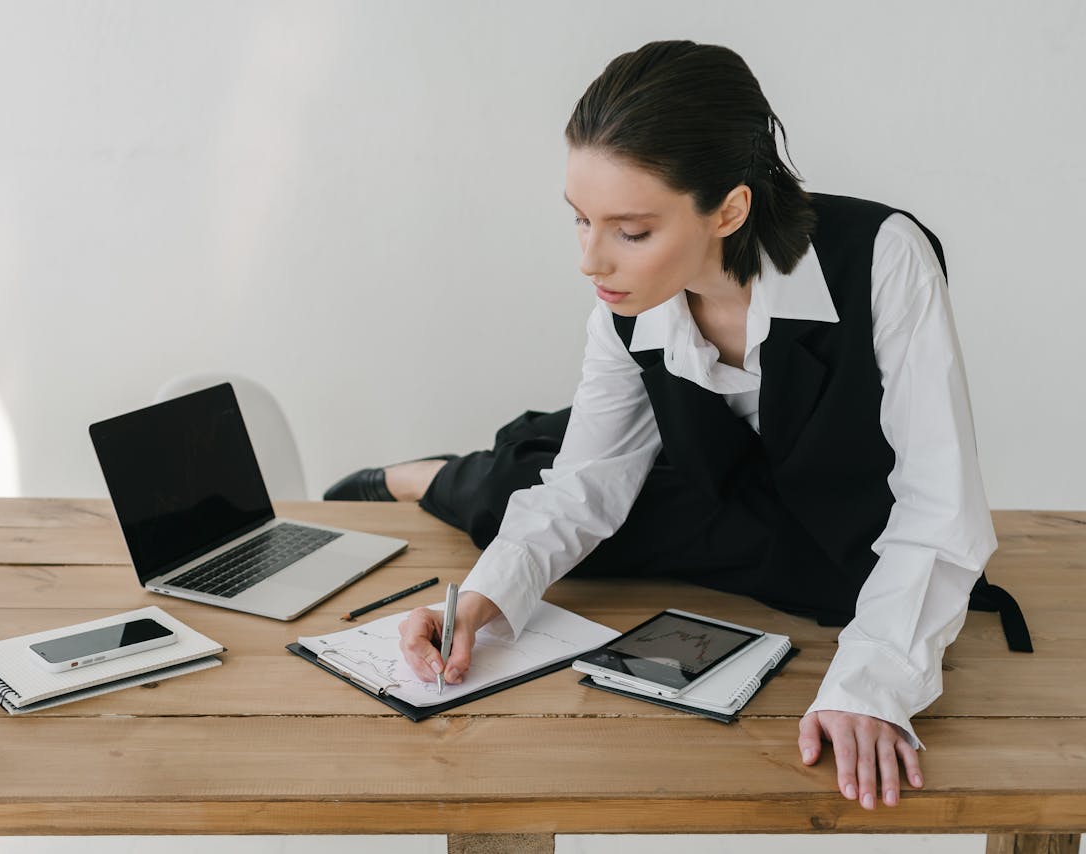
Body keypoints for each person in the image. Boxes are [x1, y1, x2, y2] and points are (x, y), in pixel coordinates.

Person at [324, 40, 1028, 811]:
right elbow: (588, 482)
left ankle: (450, 473)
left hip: (834, 515)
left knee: (846, 585)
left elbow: (939, 503)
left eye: (629, 231)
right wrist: (484, 605)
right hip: (712, 482)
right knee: (525, 493)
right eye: (580, 221)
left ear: (729, 209)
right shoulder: (622, 305)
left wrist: (871, 688)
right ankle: (419, 474)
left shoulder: (885, 259)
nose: (591, 261)